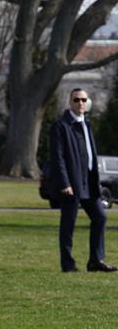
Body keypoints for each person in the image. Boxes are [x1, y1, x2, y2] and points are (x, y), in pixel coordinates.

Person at [48, 88, 116, 272]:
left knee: (100, 218)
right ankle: (68, 265)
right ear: (70, 102)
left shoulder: (86, 124)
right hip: (72, 183)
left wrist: (97, 180)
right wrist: (65, 183)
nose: (80, 103)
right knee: (68, 224)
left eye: (84, 100)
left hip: (90, 182)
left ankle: (96, 261)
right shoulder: (61, 126)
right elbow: (57, 158)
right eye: (76, 100)